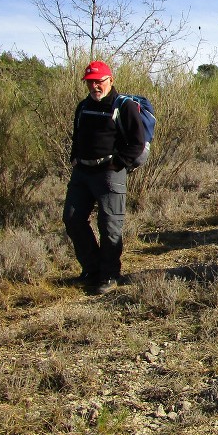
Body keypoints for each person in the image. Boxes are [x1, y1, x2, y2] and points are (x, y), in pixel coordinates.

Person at [64, 60, 146, 294]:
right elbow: (77, 136)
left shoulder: (125, 106)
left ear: (110, 80)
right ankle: (92, 270)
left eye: (99, 81)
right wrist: (75, 158)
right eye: (90, 82)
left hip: (110, 174)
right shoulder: (83, 106)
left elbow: (137, 143)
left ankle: (109, 275)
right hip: (82, 173)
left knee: (109, 226)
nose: (94, 87)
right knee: (72, 218)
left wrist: (117, 163)